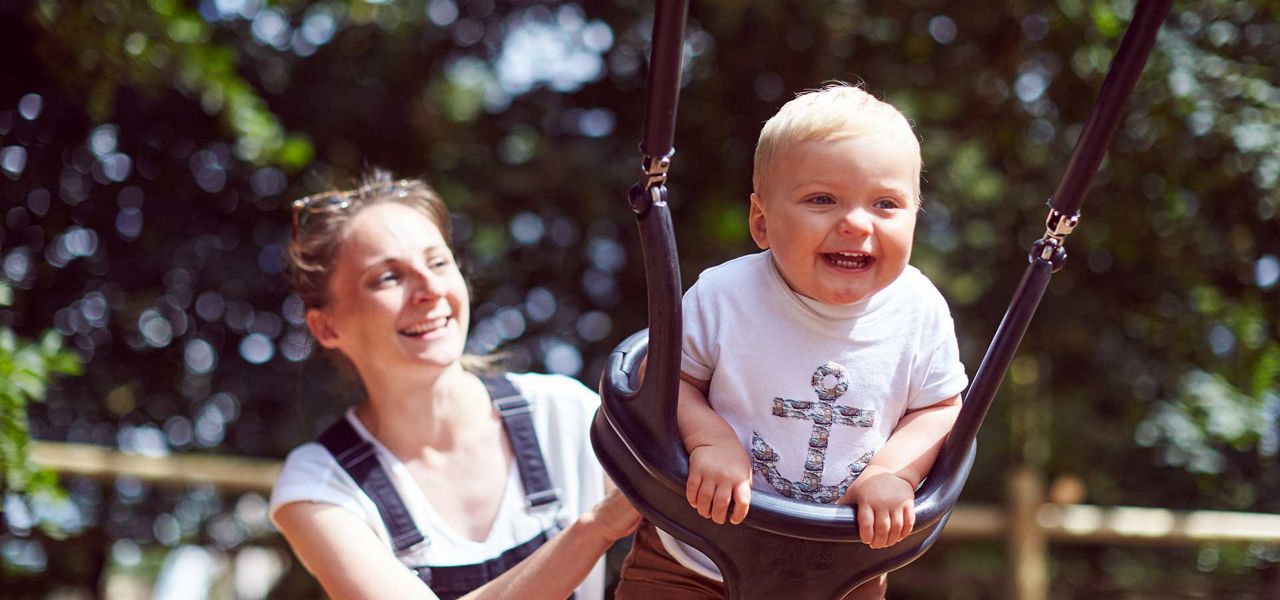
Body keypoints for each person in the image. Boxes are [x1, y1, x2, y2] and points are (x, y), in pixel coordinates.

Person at [614, 83, 969, 599]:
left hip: (841, 567)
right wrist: (711, 440)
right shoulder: (726, 295)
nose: (856, 223)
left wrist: (891, 474)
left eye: (886, 203)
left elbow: (940, 409)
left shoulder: (919, 311)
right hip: (694, 554)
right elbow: (665, 380)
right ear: (761, 222)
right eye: (822, 199)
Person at [269, 171, 640, 600]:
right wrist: (596, 529)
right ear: (326, 327)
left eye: (438, 263)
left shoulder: (566, 413)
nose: (430, 289)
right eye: (388, 277)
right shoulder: (319, 485)